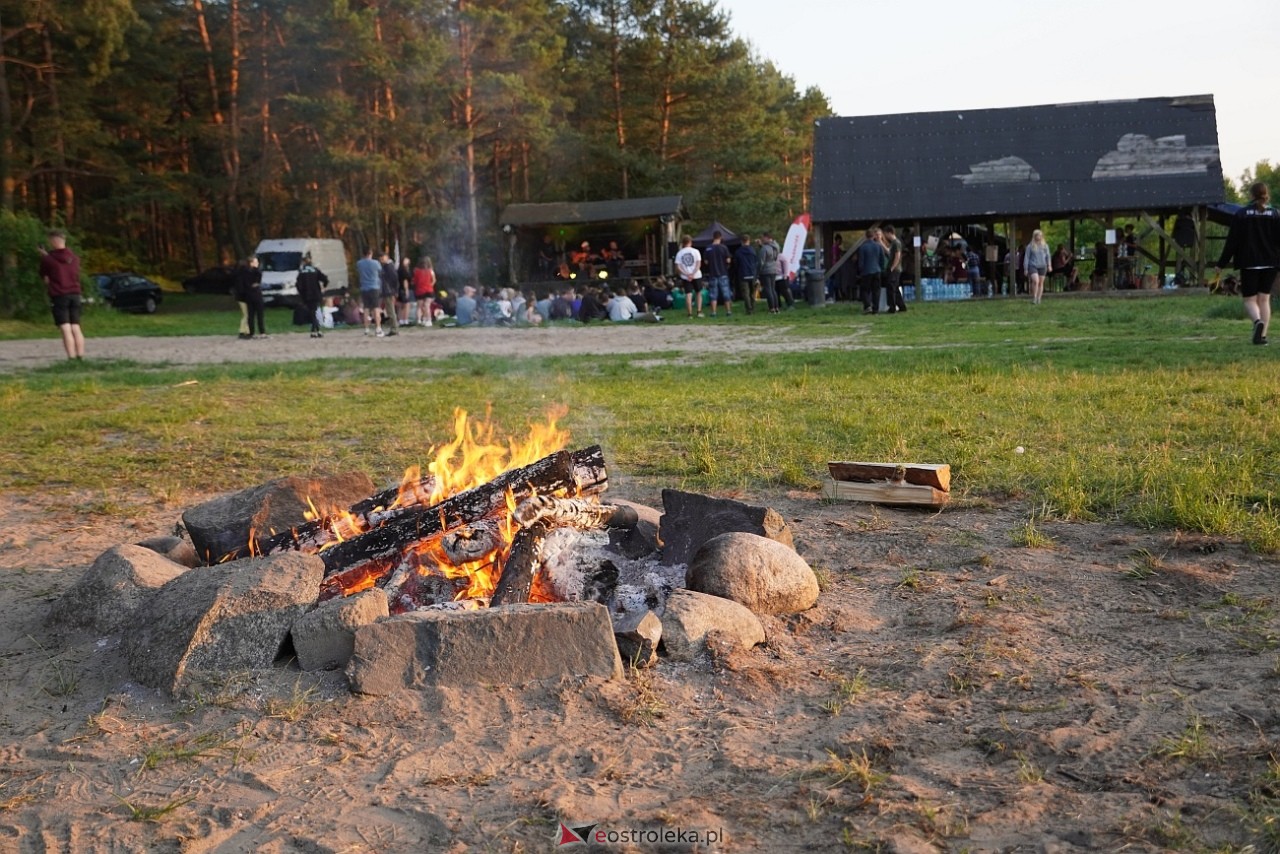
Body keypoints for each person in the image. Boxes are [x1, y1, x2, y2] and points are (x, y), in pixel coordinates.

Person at [1216, 181, 1280, 345]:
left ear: (1251, 195)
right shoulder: (1275, 214)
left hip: (1249, 262)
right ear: (1267, 195)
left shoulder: (1241, 214)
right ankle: (1262, 337)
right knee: (1264, 299)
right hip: (1271, 262)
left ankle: (1257, 321)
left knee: (1250, 300)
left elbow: (1232, 242)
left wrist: (1221, 264)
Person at [38, 229, 85, 360]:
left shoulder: (48, 259)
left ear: (53, 241)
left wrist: (44, 256)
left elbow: (45, 277)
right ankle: (80, 355)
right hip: (75, 294)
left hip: (60, 295)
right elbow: (62, 265)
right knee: (76, 327)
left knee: (65, 328)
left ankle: (71, 357)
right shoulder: (75, 258)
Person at [295, 254, 329, 338]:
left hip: (306, 295)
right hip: (316, 293)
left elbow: (298, 285)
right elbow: (325, 279)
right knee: (314, 312)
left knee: (312, 312)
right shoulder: (315, 270)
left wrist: (301, 293)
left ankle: (314, 330)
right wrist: (323, 287)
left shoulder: (302, 272)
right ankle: (317, 330)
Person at [355, 247, 385, 336]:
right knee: (376, 308)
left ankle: (366, 329)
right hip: (374, 287)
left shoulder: (359, 263)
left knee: (366, 309)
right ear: (370, 253)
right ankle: (378, 327)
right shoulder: (376, 263)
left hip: (364, 287)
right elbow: (380, 272)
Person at [855, 228, 885, 314]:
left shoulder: (862, 247)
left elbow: (861, 262)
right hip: (877, 271)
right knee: (876, 290)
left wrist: (860, 271)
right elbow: (882, 259)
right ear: (874, 236)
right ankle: (876, 309)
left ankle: (868, 306)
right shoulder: (878, 246)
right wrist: (881, 268)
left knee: (865, 290)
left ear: (866, 236)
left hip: (866, 272)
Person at [703, 230, 732, 317]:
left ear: (713, 237)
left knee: (713, 294)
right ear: (721, 237)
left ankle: (713, 312)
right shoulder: (724, 248)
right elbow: (728, 260)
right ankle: (728, 311)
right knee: (726, 293)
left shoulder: (708, 248)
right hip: (723, 273)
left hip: (712, 274)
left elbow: (706, 262)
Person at [237, 255, 267, 338]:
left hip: (249, 296)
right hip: (255, 295)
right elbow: (257, 280)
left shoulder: (244, 273)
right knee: (259, 315)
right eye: (255, 262)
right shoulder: (255, 272)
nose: (257, 264)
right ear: (251, 263)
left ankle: (252, 332)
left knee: (251, 315)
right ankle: (262, 332)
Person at [674, 235, 703, 318]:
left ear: (683, 243)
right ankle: (699, 311)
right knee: (698, 293)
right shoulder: (696, 251)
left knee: (688, 294)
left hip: (685, 276)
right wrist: (693, 273)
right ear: (690, 242)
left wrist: (686, 274)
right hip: (696, 275)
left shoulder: (679, 253)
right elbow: (698, 264)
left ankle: (690, 313)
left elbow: (677, 267)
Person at [757, 231, 782, 313]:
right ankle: (776, 307)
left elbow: (761, 261)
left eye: (763, 238)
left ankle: (771, 308)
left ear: (766, 237)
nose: (762, 239)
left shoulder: (765, 248)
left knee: (768, 289)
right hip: (774, 269)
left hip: (766, 270)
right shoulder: (776, 246)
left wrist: (758, 272)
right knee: (773, 289)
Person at [1024, 229, 1051, 305]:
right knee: (1036, 281)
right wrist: (1025, 268)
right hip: (1033, 265)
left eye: (1039, 235)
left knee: (1041, 283)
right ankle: (1034, 297)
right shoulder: (1030, 246)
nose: (1038, 237)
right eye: (1037, 235)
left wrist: (1049, 265)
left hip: (1043, 265)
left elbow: (1048, 256)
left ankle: (1039, 298)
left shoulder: (1045, 246)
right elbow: (1027, 257)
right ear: (1034, 236)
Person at [882, 225, 906, 312]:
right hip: (895, 268)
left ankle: (892, 307)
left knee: (891, 287)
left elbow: (897, 256)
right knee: (895, 288)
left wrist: (892, 267)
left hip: (895, 269)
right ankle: (901, 306)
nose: (885, 236)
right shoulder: (893, 243)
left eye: (885, 234)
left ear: (889, 233)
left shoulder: (896, 243)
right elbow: (889, 252)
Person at [734, 234, 758, 314]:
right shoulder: (753, 250)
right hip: (752, 273)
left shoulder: (738, 252)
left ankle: (749, 309)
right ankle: (753, 306)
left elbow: (736, 264)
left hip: (743, 274)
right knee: (753, 292)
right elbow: (756, 262)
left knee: (746, 293)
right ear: (749, 241)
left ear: (741, 241)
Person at [378, 251, 400, 335]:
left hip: (389, 291)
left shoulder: (389, 267)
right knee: (389, 310)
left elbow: (394, 279)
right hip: (388, 290)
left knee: (390, 310)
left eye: (382, 258)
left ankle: (394, 329)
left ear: (386, 257)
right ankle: (393, 327)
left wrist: (395, 290)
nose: (381, 260)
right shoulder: (387, 266)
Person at [412, 256, 436, 325]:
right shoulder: (431, 270)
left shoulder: (416, 271)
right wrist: (430, 285)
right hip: (429, 290)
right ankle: (428, 320)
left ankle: (419, 320)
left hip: (419, 290)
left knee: (419, 306)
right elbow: (434, 280)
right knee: (427, 305)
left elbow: (414, 281)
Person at [396, 256, 413, 326]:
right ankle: (405, 319)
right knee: (406, 305)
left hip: (398, 289)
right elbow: (405, 281)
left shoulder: (398, 270)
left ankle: (400, 320)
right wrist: (406, 290)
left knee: (400, 305)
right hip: (403, 289)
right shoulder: (404, 271)